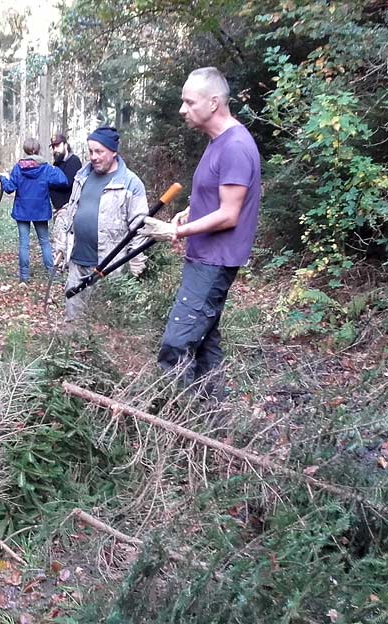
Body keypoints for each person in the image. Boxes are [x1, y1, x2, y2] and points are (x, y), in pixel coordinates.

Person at [138, 67, 261, 396]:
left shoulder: (235, 146)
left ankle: (183, 425)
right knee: (205, 347)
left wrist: (175, 232)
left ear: (214, 103)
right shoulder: (218, 141)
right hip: (205, 258)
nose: (182, 110)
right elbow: (219, 194)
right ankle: (215, 428)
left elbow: (229, 214)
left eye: (189, 102)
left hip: (214, 261)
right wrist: (190, 211)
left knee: (176, 347)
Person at [54, 125, 149, 322]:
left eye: (99, 151)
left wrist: (136, 265)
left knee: (103, 324)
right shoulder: (82, 176)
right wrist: (61, 246)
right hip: (77, 264)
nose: (94, 157)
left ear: (113, 151)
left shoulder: (130, 183)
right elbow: (70, 213)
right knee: (73, 319)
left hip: (109, 268)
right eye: (90, 151)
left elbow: (139, 228)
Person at [0, 137, 69, 283]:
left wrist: (2, 178)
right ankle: (51, 274)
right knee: (44, 242)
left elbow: (9, 188)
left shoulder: (18, 168)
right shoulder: (46, 168)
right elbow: (63, 180)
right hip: (41, 211)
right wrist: (55, 167)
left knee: (24, 244)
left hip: (22, 211)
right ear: (38, 150)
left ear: (25, 151)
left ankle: (24, 278)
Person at [49, 132, 82, 265]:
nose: (55, 149)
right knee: (59, 239)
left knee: (66, 240)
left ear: (65, 145)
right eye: (53, 147)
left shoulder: (74, 162)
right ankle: (61, 264)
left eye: (58, 146)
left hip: (69, 208)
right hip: (58, 210)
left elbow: (68, 183)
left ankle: (66, 265)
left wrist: (50, 182)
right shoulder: (57, 163)